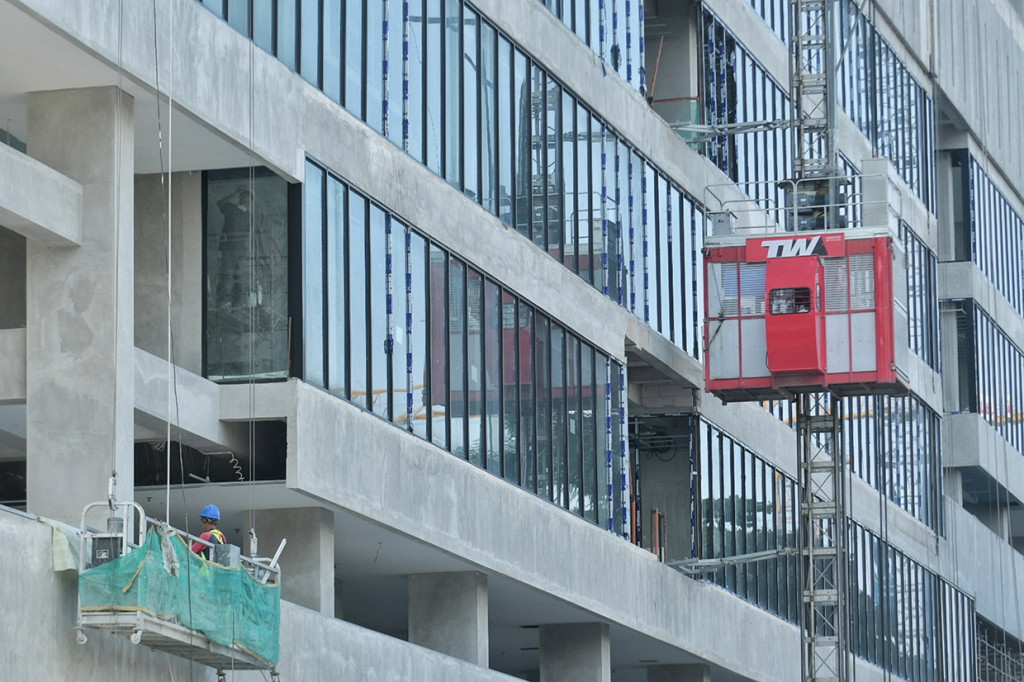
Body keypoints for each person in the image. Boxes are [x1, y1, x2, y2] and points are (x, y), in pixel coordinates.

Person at [216, 188, 253, 308]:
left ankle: (236, 302)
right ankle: (222, 300)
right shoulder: (230, 208)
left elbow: (248, 233)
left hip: (241, 248)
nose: (246, 200)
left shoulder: (249, 215)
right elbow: (219, 204)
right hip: (228, 247)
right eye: (244, 196)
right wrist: (233, 194)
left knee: (239, 276)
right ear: (240, 197)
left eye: (249, 198)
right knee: (226, 274)